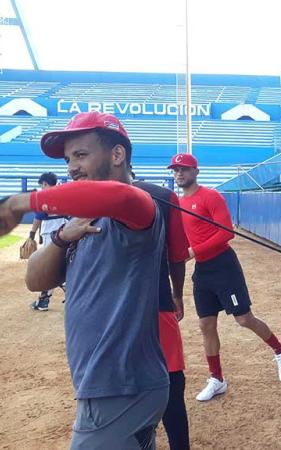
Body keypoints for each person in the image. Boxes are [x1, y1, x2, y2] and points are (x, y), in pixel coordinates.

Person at [0, 111, 169, 448]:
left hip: (119, 387)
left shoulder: (137, 209)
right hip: (112, 387)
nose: (71, 168)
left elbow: (122, 196)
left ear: (117, 154)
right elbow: (35, 281)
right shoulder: (79, 220)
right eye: (67, 160)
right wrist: (62, 237)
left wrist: (21, 202)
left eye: (81, 155)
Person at [169, 153, 281, 402]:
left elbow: (226, 233)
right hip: (203, 271)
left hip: (224, 266)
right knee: (206, 326)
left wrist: (193, 251)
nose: (179, 174)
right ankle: (217, 379)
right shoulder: (178, 203)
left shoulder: (210, 196)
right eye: (175, 170)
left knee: (244, 319)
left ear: (195, 172)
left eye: (183, 169)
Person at [133, 178, 191, 450]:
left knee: (126, 389)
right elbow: (177, 256)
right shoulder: (163, 195)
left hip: (109, 314)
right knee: (170, 385)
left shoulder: (88, 195)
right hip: (158, 303)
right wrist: (177, 294)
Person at [27, 172, 67, 311]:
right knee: (65, 262)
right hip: (64, 231)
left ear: (45, 183)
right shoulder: (63, 193)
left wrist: (32, 234)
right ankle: (71, 294)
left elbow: (38, 218)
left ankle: (43, 301)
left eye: (42, 185)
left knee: (50, 267)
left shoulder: (45, 196)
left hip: (51, 233)